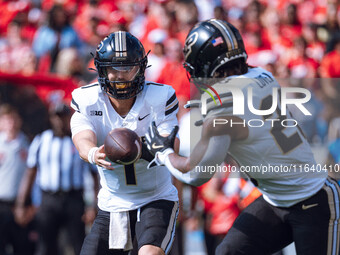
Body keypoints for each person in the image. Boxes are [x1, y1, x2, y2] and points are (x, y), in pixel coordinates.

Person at [144, 19, 340, 255]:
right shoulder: (262, 75)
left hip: (313, 200)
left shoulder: (223, 103)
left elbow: (196, 174)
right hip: (274, 199)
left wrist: (163, 152)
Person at [70, 31, 179, 255]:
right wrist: (91, 152)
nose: (121, 76)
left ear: (140, 68)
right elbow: (81, 135)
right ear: (102, 70)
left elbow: (171, 143)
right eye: (114, 69)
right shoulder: (87, 99)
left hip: (155, 198)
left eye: (128, 68)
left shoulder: (159, 97)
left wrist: (137, 146)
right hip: (112, 202)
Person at [15, 102, 99, 255]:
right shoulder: (41, 140)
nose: (60, 121)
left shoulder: (80, 141)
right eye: (57, 117)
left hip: (74, 198)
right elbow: (30, 173)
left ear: (70, 118)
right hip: (48, 199)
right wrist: (21, 204)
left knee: (78, 244)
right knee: (45, 245)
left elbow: (94, 175)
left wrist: (93, 205)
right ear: (51, 118)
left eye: (64, 116)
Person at [0, 104, 35, 255]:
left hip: (20, 205)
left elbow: (35, 177)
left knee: (22, 247)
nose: (11, 123)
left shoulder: (28, 144)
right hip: (1, 204)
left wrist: (33, 206)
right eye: (7, 120)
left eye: (13, 119)